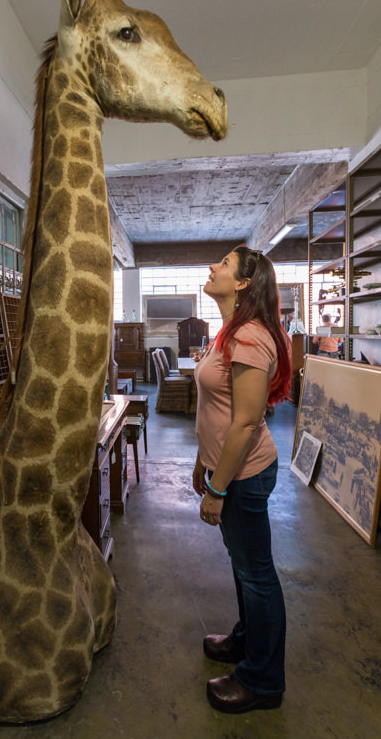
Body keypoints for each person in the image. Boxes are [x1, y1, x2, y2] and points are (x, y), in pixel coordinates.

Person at [192, 245, 292, 714]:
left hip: (245, 475)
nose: (212, 267)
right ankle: (245, 642)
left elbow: (247, 422)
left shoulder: (250, 336)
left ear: (244, 283)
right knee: (243, 565)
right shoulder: (229, 331)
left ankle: (263, 681)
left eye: (224, 264)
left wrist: (217, 488)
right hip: (226, 468)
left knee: (257, 575)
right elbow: (216, 409)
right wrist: (202, 462)